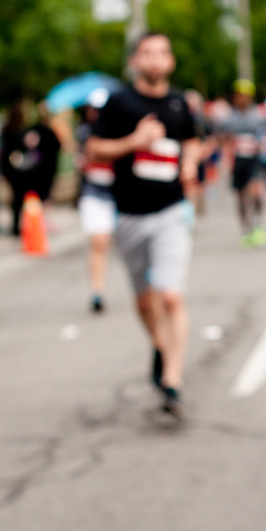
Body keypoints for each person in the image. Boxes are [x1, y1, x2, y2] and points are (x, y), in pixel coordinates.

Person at [86, 32, 200, 417]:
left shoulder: (179, 102)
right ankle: (160, 345)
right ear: (135, 60)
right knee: (143, 300)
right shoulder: (119, 102)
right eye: (147, 53)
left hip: (170, 210)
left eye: (161, 53)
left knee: (171, 296)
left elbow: (193, 141)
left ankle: (172, 380)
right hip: (130, 214)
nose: (154, 60)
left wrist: (188, 162)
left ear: (170, 61)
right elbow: (95, 149)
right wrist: (134, 141)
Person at [76, 88, 117, 313]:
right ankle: (97, 291)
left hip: (118, 193)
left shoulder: (119, 130)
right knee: (98, 241)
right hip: (94, 192)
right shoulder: (84, 132)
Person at [0, 100, 64, 238]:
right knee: (38, 197)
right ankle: (37, 223)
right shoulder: (24, 132)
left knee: (20, 199)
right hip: (35, 170)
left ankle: (23, 225)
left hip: (21, 169)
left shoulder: (21, 130)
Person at [221, 80, 266, 247]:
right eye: (238, 95)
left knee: (255, 191)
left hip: (253, 161)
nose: (241, 98)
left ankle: (258, 222)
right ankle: (245, 228)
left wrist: (262, 146)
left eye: (245, 95)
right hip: (238, 162)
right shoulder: (230, 118)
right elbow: (224, 139)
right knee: (241, 197)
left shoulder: (257, 117)